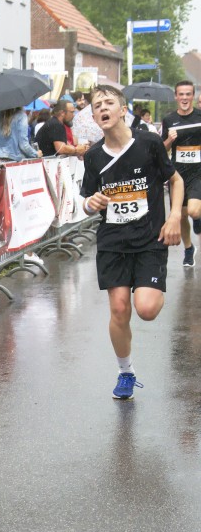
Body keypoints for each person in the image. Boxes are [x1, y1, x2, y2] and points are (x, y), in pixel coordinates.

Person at [80, 84, 183, 400]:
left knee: (146, 309)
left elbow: (175, 180)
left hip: (149, 237)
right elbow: (86, 201)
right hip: (113, 240)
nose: (103, 108)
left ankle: (153, 286)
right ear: (95, 117)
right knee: (119, 308)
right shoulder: (94, 156)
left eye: (109, 102)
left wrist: (174, 216)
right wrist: (91, 203)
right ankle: (126, 372)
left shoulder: (149, 143)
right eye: (97, 105)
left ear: (123, 110)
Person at [161, 80, 201, 267]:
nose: (185, 98)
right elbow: (162, 149)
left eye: (188, 94)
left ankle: (198, 217)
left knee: (193, 211)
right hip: (178, 174)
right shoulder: (169, 120)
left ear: (193, 96)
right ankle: (188, 248)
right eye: (181, 94)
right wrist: (169, 139)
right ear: (176, 97)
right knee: (182, 215)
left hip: (198, 171)